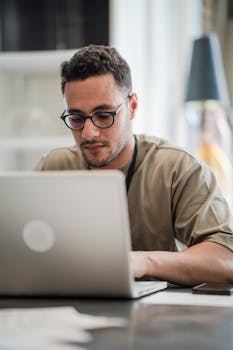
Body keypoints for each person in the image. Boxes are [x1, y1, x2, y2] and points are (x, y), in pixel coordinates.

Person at [36, 44, 233, 286]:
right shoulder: (52, 169)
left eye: (104, 115)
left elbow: (227, 259)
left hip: (161, 317)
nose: (89, 133)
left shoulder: (178, 169)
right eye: (76, 118)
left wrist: (143, 262)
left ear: (132, 106)